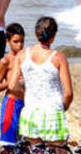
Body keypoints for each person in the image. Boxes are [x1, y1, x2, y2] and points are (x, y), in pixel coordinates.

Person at [9, 17, 73, 145]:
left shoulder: (22, 55)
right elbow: (68, 93)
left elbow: (12, 86)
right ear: (53, 36)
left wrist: (26, 95)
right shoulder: (58, 58)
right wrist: (62, 107)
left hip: (30, 112)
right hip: (52, 113)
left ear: (36, 34)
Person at [0, 23, 25, 150]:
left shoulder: (27, 57)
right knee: (8, 143)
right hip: (11, 103)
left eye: (22, 41)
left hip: (27, 103)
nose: (20, 45)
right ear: (8, 41)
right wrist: (12, 81)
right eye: (16, 42)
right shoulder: (5, 61)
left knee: (25, 142)